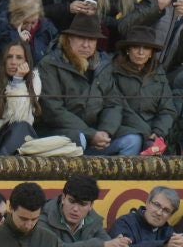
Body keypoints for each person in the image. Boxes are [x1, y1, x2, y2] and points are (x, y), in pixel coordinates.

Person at [35, 12, 138, 155]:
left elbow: (113, 103)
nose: (86, 45)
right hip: (61, 132)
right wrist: (90, 134)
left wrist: (105, 131)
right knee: (78, 139)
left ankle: (112, 178)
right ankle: (78, 178)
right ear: (69, 38)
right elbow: (52, 110)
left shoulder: (104, 64)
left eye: (91, 40)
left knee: (132, 140)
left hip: (96, 131)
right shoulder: (50, 64)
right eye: (81, 38)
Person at [101, 34, 173, 156]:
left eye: (146, 48)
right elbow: (120, 108)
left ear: (151, 53)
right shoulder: (113, 71)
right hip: (123, 129)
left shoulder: (159, 74)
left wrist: (158, 132)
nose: (140, 52)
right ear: (128, 50)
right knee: (135, 140)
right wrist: (147, 134)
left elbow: (168, 110)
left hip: (154, 132)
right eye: (136, 47)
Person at [0, 38, 40, 154]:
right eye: (9, 57)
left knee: (21, 128)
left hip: (17, 136)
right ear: (4, 59)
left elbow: (24, 119)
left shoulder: (34, 80)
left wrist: (18, 81)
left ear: (27, 61)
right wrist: (6, 124)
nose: (13, 62)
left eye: (19, 57)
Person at [41, 174, 121, 247]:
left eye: (82, 204)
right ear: (63, 198)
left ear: (91, 206)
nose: (75, 209)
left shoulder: (94, 221)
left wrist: (119, 246)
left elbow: (108, 244)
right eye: (71, 201)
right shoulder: (44, 217)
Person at [110, 186, 183, 247]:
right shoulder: (125, 223)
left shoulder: (167, 230)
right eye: (157, 205)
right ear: (147, 202)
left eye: (166, 210)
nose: (159, 213)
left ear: (170, 215)